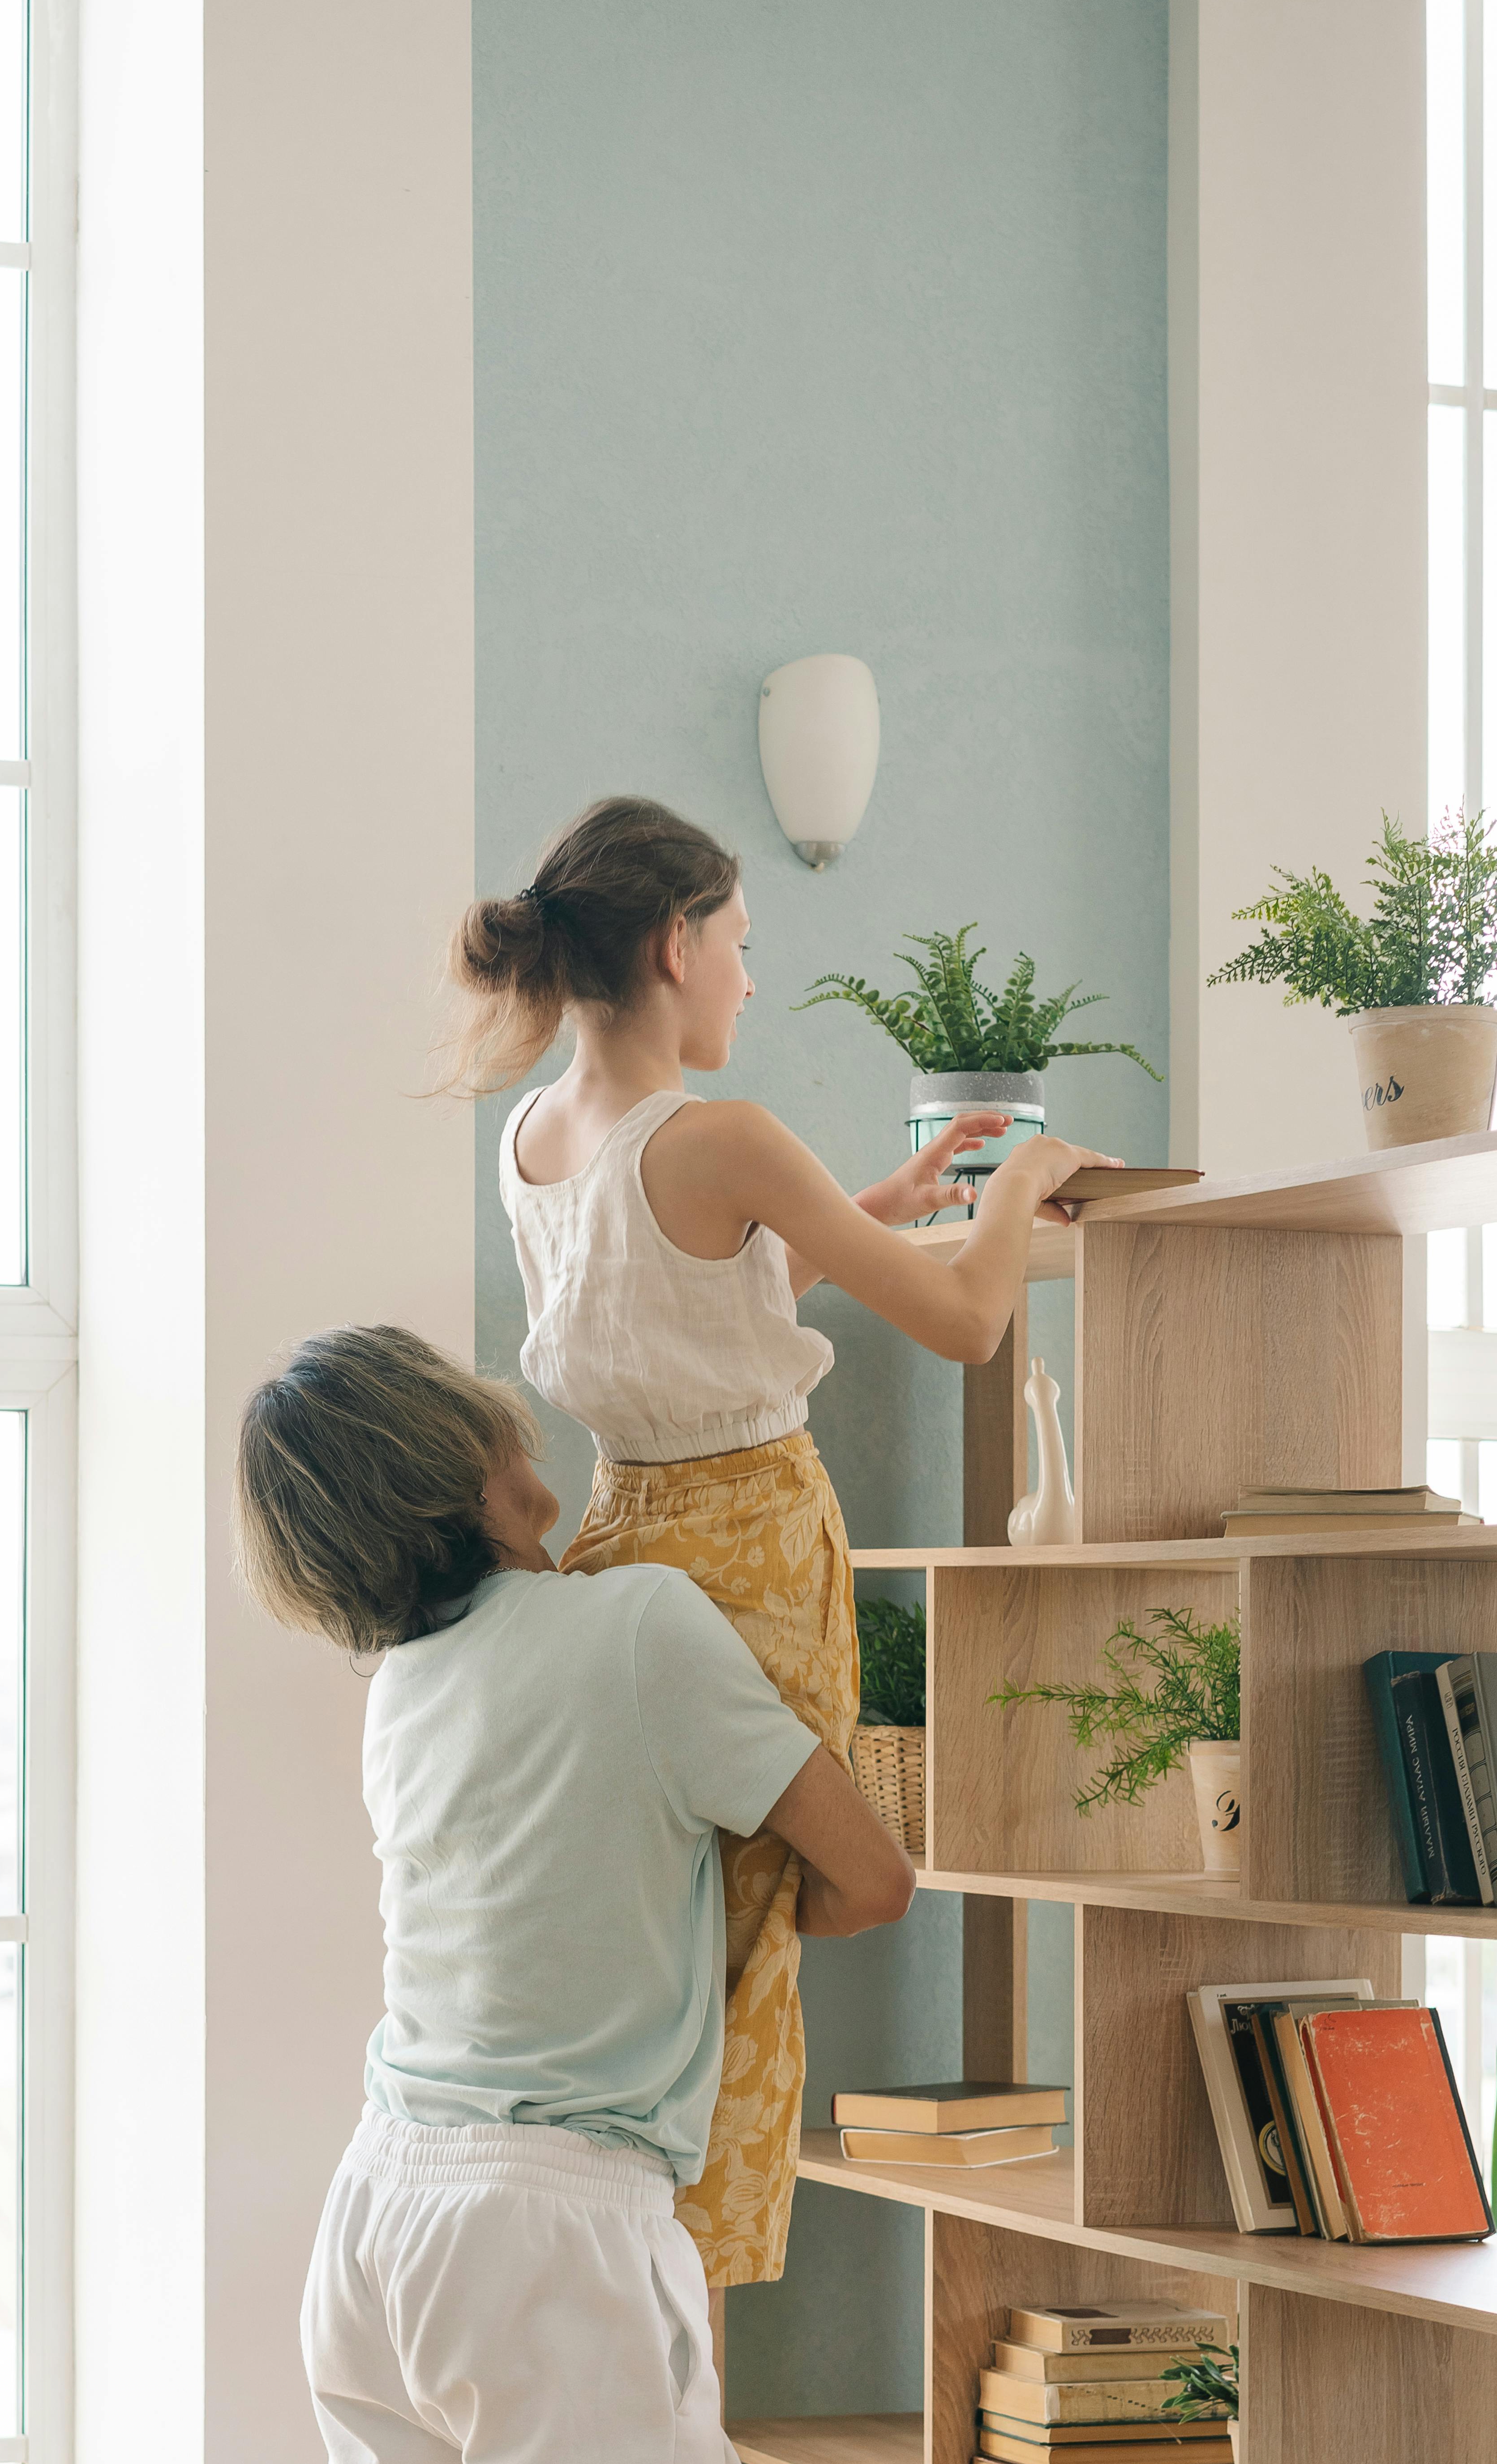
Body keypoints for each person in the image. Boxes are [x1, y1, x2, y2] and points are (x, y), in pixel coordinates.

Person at [240, 1324, 915, 2464]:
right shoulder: (639, 1631)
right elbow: (868, 1875)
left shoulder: (406, 1683)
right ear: (462, 1458)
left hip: (385, 2219)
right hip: (556, 2229)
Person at [448, 796, 1112, 2289]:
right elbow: (966, 1323)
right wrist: (1013, 1180)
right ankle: (687, 2335)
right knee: (749, 1955)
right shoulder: (722, 1136)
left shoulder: (536, 1139)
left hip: (630, 1549)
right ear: (678, 943)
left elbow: (682, 1318)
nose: (752, 979)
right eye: (742, 946)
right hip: (754, 1557)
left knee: (678, 1929)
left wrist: (877, 1207)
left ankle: (641, 2308)